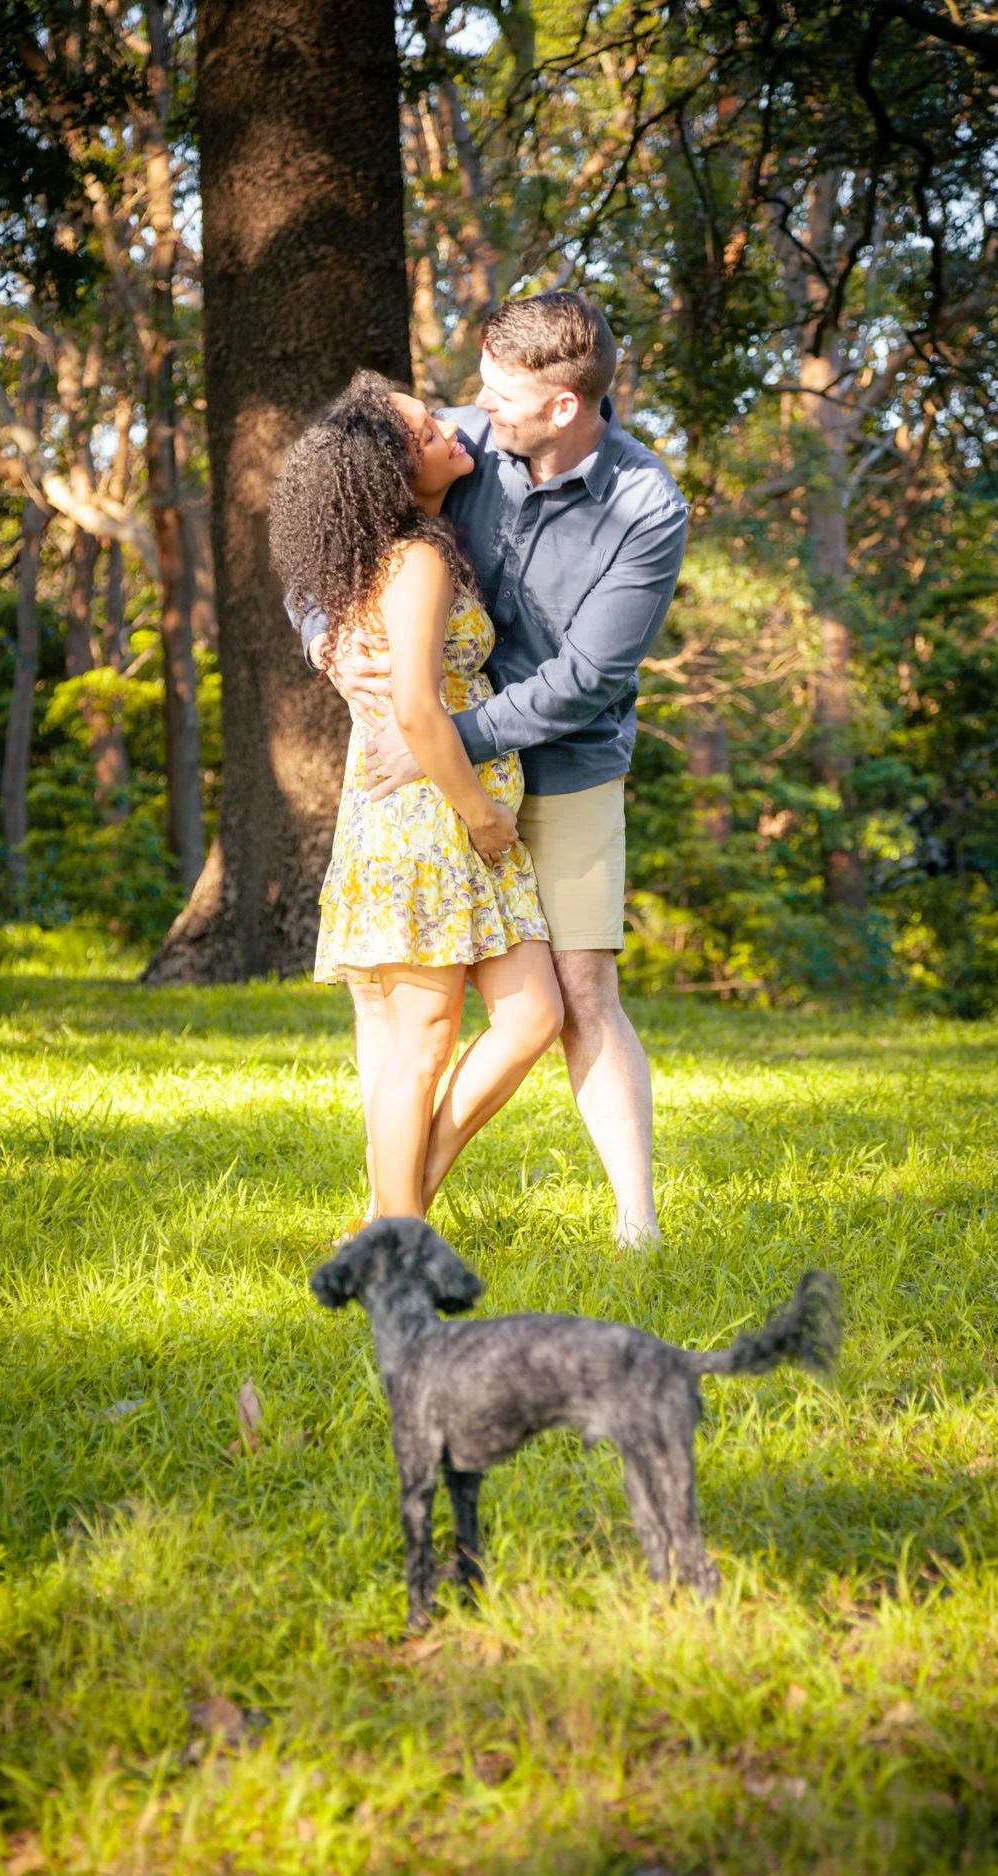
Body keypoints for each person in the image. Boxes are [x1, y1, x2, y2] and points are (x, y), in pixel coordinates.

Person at [303, 293, 688, 1247]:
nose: (475, 405)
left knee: (580, 989)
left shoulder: (645, 504)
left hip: (561, 764)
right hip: (432, 778)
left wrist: (448, 737)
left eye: (500, 391)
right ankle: (396, 1211)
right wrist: (323, 641)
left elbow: (591, 676)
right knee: (411, 1019)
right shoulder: (461, 443)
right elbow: (330, 528)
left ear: (563, 407)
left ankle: (633, 1222)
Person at [269, 373, 563, 1220]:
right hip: (435, 817)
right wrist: (484, 819)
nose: (447, 429)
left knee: (530, 1014)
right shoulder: (419, 558)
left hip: (443, 814)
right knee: (421, 1043)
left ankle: (389, 1216)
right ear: (393, 474)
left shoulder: (381, 552)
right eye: (426, 429)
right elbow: (416, 708)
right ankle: (397, 1234)